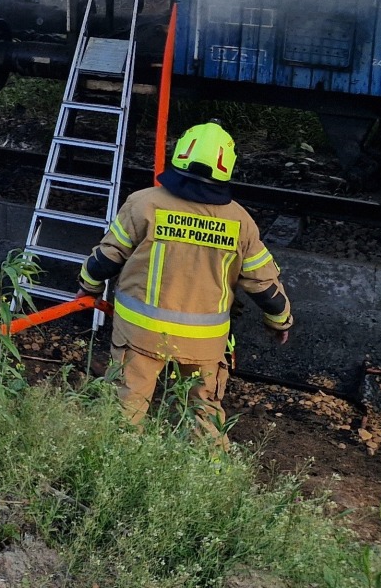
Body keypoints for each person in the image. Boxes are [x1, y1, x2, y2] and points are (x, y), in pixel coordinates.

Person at [78, 121, 292, 435]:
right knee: (204, 415)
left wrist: (88, 287)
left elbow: (106, 259)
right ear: (226, 168)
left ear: (179, 155)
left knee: (127, 408)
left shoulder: (144, 203)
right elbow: (265, 288)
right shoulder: (241, 222)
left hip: (141, 336)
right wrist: (280, 322)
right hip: (203, 344)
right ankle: (213, 474)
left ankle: (115, 471)